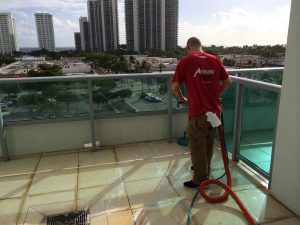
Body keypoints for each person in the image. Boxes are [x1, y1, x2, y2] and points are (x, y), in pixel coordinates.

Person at [172, 37, 232, 189]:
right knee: (208, 142)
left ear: (188, 47)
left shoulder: (185, 61)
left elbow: (175, 87)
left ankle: (200, 179)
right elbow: (228, 81)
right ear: (201, 46)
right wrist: (214, 93)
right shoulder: (215, 60)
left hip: (199, 112)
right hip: (214, 112)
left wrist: (181, 98)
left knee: (197, 144)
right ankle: (204, 169)